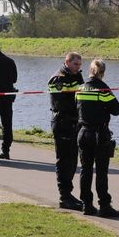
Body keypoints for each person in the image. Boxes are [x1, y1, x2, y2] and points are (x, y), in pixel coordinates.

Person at [75, 59, 119, 217]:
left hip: (82, 133)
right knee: (101, 171)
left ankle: (86, 205)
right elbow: (117, 110)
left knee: (85, 170)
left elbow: (78, 108)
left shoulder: (80, 88)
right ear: (102, 72)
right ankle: (104, 206)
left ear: (90, 70)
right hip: (99, 134)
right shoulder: (103, 89)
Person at [48, 52, 85, 210]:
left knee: (72, 161)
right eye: (76, 64)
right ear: (67, 62)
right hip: (63, 122)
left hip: (74, 123)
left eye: (80, 65)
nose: (78, 68)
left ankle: (68, 194)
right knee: (64, 161)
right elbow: (61, 104)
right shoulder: (59, 78)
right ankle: (64, 196)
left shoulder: (76, 76)